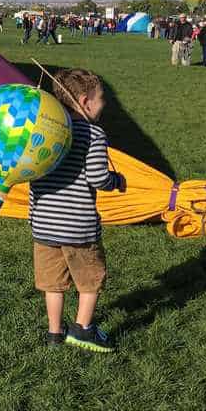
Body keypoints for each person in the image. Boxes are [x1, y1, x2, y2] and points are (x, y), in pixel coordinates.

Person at [30, 69, 125, 353]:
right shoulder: (93, 133)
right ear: (85, 101)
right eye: (101, 99)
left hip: (44, 225)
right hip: (78, 226)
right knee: (89, 280)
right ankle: (83, 329)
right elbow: (97, 177)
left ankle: (54, 333)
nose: (104, 104)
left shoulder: (45, 131)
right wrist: (115, 181)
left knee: (53, 283)